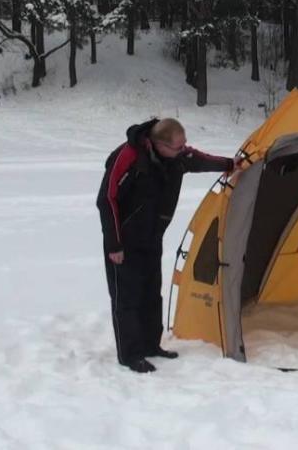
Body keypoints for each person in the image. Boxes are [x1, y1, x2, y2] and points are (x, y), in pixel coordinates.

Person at [96, 118, 236, 373]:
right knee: (127, 299)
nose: (184, 150)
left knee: (151, 293)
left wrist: (231, 164)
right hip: (123, 242)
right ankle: (130, 354)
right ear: (159, 144)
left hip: (151, 236)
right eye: (178, 147)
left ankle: (151, 345)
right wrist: (114, 243)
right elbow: (107, 200)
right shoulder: (129, 156)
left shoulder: (176, 156)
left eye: (184, 145)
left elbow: (200, 159)